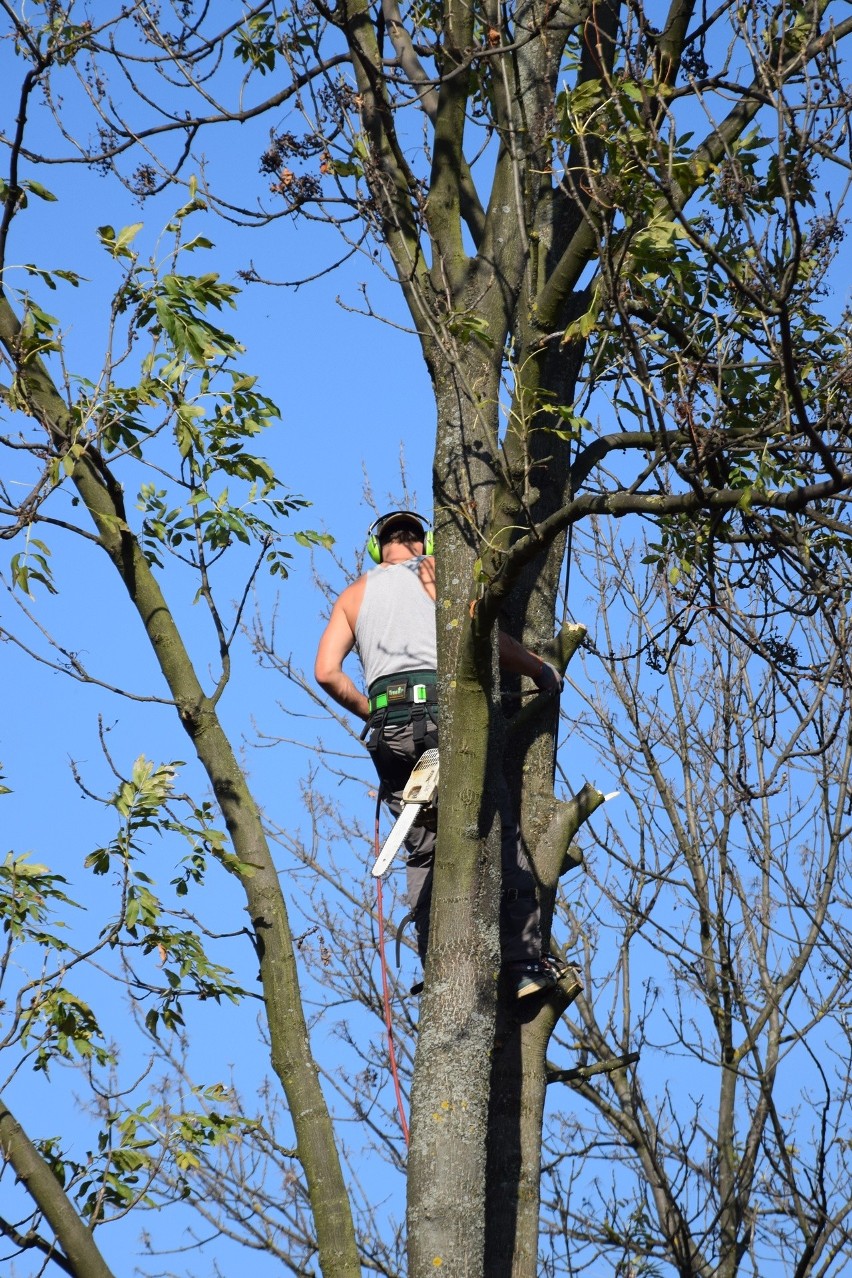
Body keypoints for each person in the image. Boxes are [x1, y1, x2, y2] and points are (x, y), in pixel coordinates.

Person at [314, 509, 565, 997]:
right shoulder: (438, 574)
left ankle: (440, 968)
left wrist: (373, 712)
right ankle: (522, 963)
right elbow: (488, 638)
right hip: (442, 719)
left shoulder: (353, 595)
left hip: (389, 732)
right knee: (496, 826)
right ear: (423, 543)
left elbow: (327, 671)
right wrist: (539, 670)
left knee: (424, 845)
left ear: (376, 547)